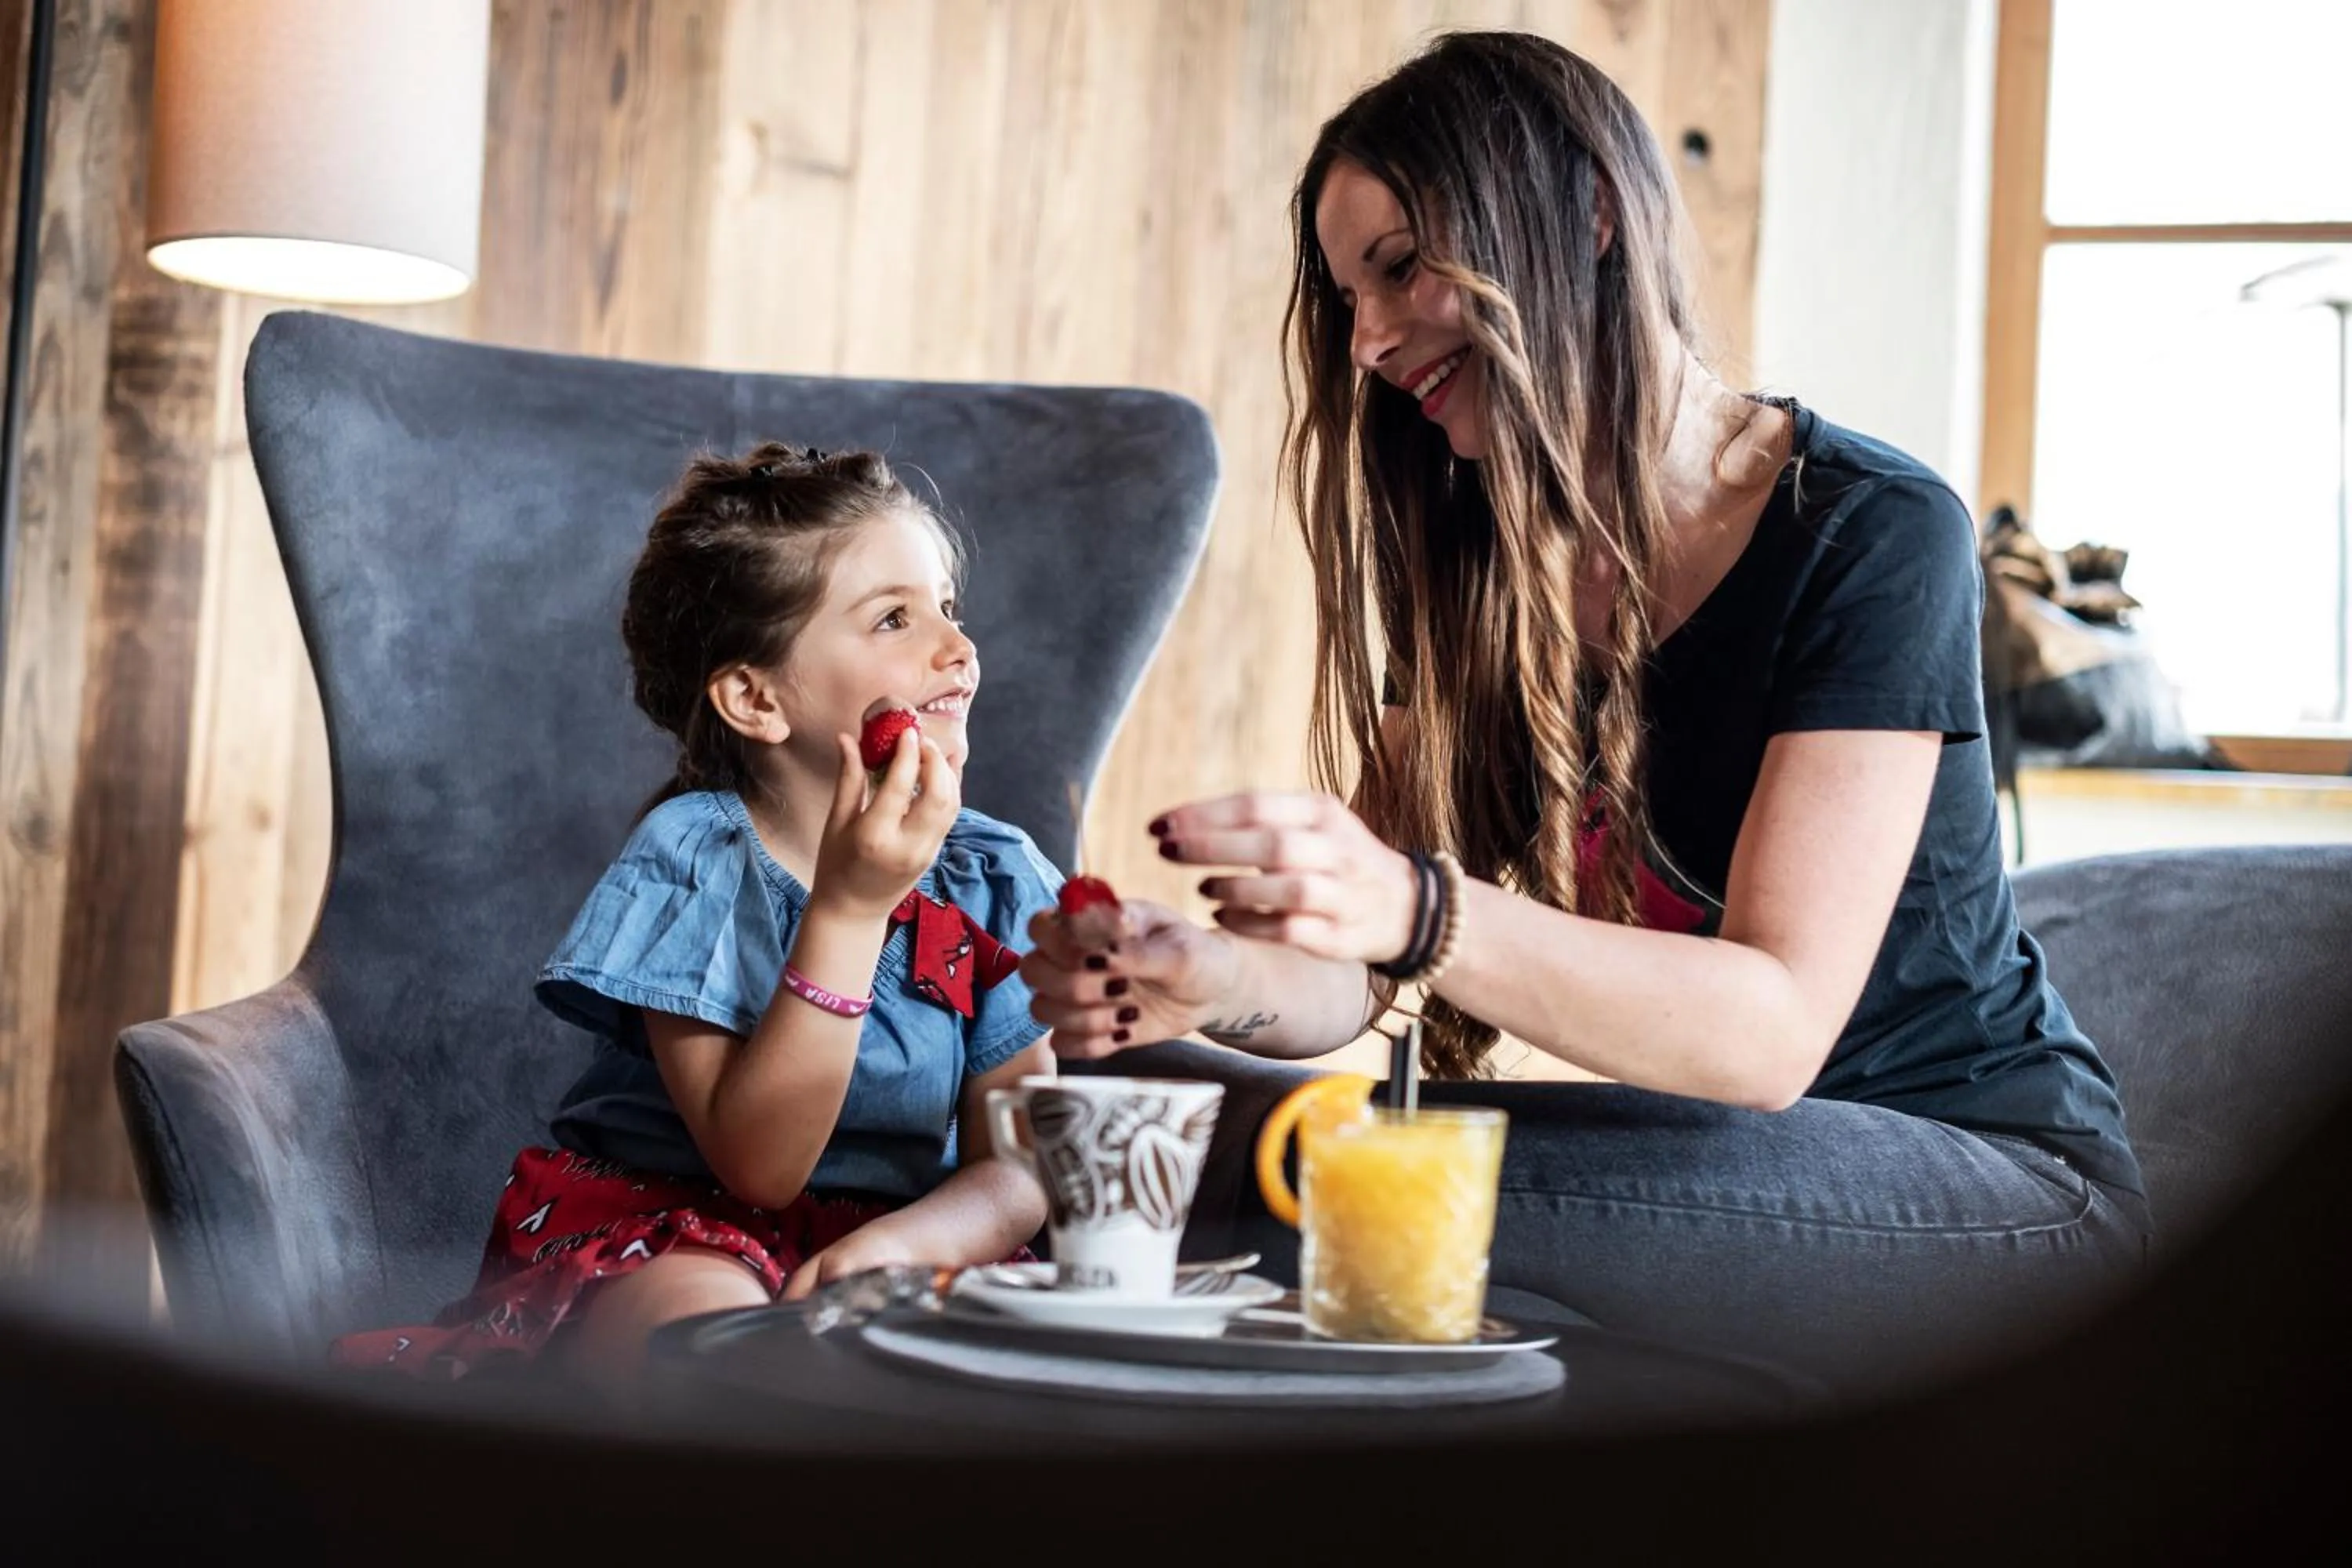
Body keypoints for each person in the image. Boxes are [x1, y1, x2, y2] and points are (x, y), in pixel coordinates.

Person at [1023, 31, 2151, 1394]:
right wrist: (1214, 980)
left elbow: (1770, 1033)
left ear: (1591, 216)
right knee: (1156, 1124)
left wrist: (1420, 909)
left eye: (1401, 266)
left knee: (1318, 1186)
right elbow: (1356, 972)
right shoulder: (1480, 561)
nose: (1367, 341)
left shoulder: (1870, 531)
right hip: (1737, 1168)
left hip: (1995, 1191)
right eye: (1347, 297)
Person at [331, 444, 1057, 1389]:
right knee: (709, 1329)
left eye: (948, 607)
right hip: (684, 1230)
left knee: (1006, 1354)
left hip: (904, 1239)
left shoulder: (991, 874)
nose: (956, 648)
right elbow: (761, 1166)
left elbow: (1024, 1163)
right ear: (756, 698)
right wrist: (850, 907)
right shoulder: (695, 859)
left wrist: (905, 1244)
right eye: (894, 618)